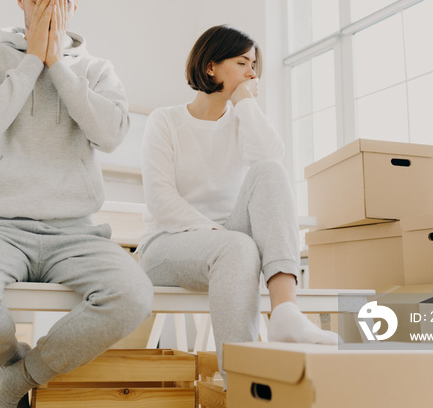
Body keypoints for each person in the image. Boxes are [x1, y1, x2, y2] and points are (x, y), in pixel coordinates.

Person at [0, 0, 153, 408]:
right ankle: (13, 363)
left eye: (60, 1)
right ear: (20, 0)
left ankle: (14, 382)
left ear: (74, 5)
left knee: (133, 296)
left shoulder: (97, 70)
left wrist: (59, 66)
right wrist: (32, 61)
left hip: (75, 232)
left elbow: (111, 135)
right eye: (38, 0)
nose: (50, 10)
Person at [137, 25, 339, 380]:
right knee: (237, 248)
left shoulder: (243, 119)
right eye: (242, 62)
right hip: (167, 244)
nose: (252, 73)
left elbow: (271, 158)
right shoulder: (165, 120)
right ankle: (239, 383)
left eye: (255, 65)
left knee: (270, 173)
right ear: (211, 66)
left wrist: (245, 102)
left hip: (229, 241)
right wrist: (221, 236)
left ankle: (286, 312)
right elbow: (160, 201)